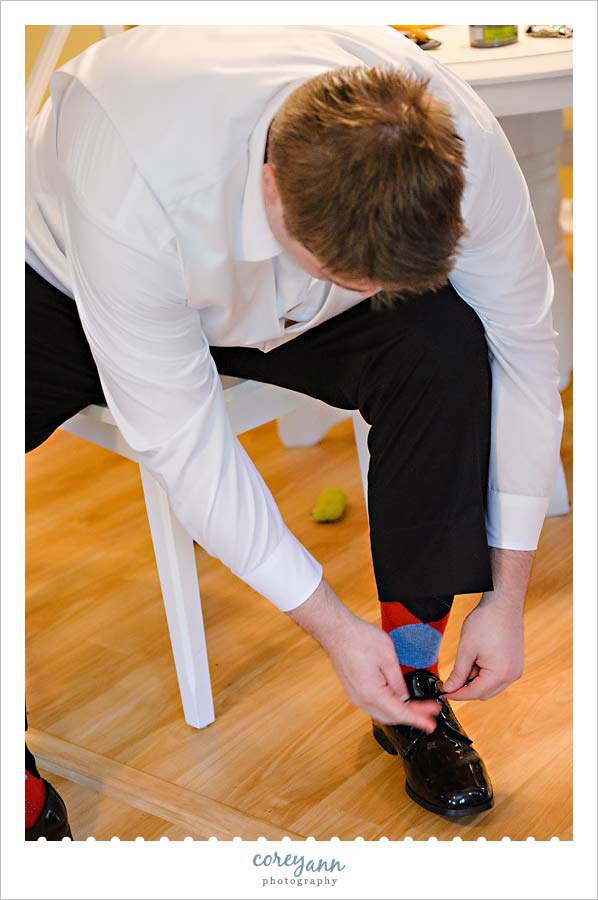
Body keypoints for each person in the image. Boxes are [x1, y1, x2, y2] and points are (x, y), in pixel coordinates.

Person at [25, 25, 563, 836]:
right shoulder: (130, 177)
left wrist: (509, 591)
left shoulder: (458, 144)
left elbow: (524, 350)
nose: (375, 288)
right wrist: (330, 627)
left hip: (292, 271)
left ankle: (410, 683)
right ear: (273, 188)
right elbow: (186, 441)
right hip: (64, 275)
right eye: (353, 275)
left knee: (446, 347)